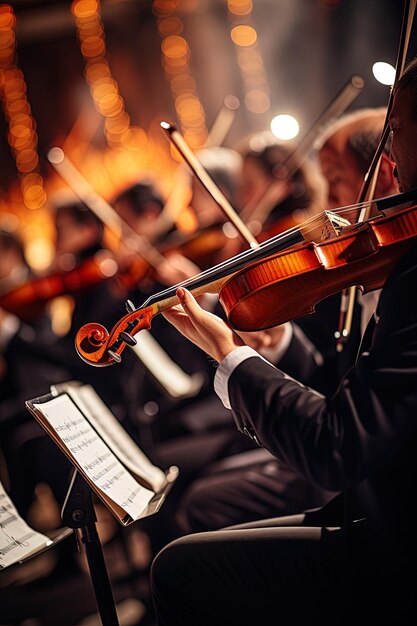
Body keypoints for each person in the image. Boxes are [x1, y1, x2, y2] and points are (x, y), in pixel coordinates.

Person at [150, 59, 417, 625]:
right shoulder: (385, 265)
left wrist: (231, 356)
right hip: (372, 497)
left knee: (183, 563)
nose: (330, 213)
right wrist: (277, 346)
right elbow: (346, 391)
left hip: (395, 531)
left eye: (400, 138)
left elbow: (340, 444)